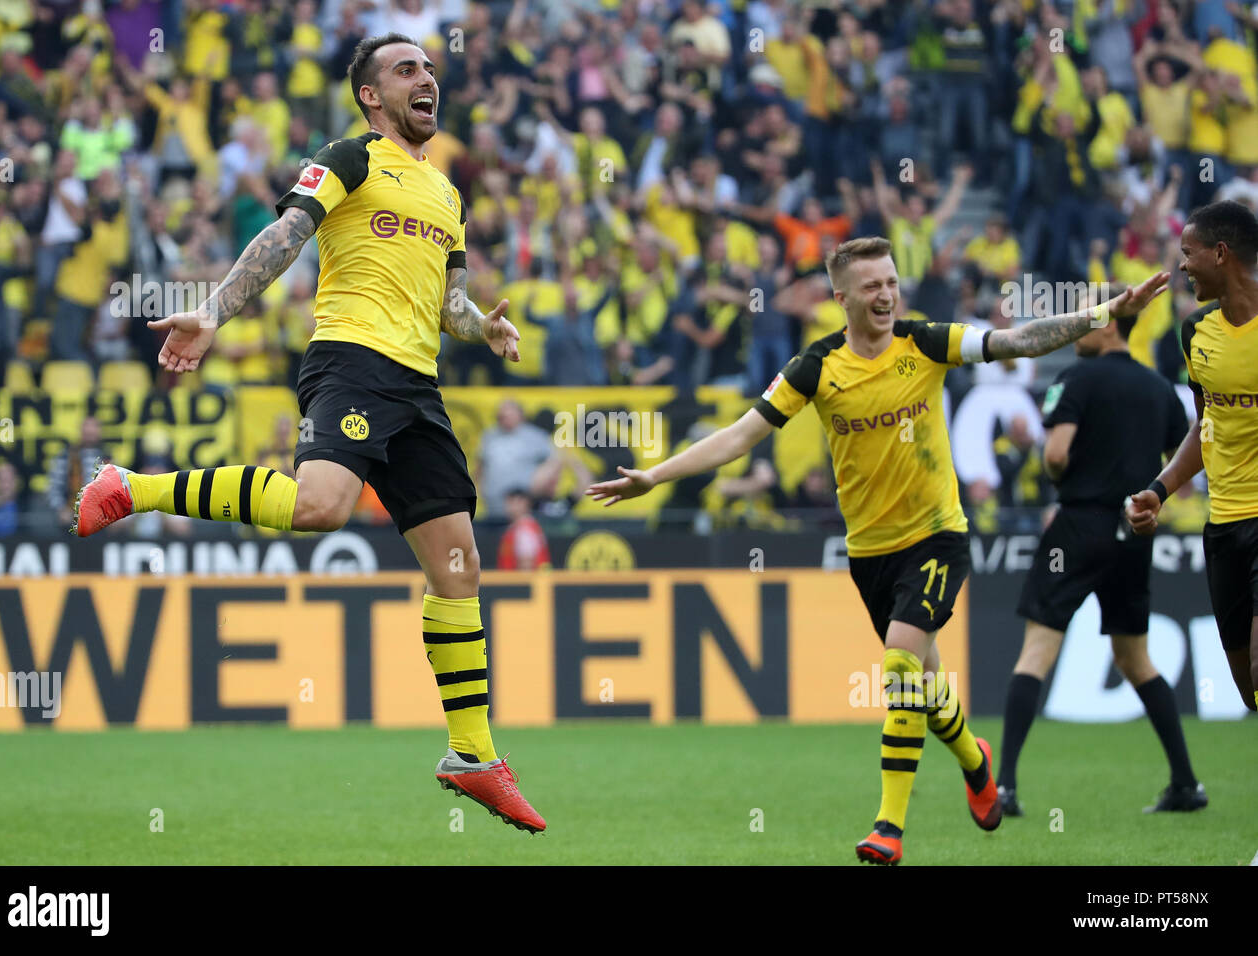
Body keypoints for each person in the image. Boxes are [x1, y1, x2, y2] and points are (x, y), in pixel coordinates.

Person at [72, 33, 545, 833]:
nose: (426, 78)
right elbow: (287, 235)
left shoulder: (447, 195)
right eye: (405, 69)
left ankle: (473, 755)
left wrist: (480, 328)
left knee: (459, 564)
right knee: (323, 506)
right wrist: (216, 309)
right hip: (353, 361)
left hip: (420, 387)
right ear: (370, 95)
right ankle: (131, 488)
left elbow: (448, 301)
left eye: (429, 67)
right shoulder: (350, 157)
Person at [588, 236, 1169, 865]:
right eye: (872, 286)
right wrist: (655, 476)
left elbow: (1015, 342)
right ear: (841, 299)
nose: (887, 294)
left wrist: (1097, 314)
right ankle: (976, 761)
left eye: (891, 281)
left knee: (897, 668)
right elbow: (738, 437)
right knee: (922, 682)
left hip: (938, 537)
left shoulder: (926, 342)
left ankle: (888, 828)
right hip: (869, 552)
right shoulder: (816, 367)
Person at [999, 301, 1204, 818]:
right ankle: (1185, 782)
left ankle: (1004, 788)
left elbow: (1055, 454)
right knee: (1135, 658)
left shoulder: (1074, 379)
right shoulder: (1160, 389)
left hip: (1078, 526)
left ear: (1110, 323)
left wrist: (1065, 485)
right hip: (1133, 529)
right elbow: (1177, 462)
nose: (1074, 331)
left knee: (1037, 651)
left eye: (1085, 320)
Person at [1129, 200, 1258, 713]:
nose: (1181, 265)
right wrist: (1158, 490)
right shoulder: (1196, 333)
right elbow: (1205, 428)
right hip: (1224, 526)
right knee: (1249, 688)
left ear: (1221, 254)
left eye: (1189, 253)